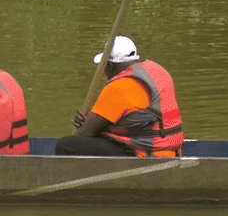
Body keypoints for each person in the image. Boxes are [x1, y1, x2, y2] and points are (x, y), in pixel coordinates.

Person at [54, 35, 184, 157]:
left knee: (66, 145)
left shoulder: (119, 86)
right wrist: (91, 121)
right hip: (172, 150)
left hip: (143, 154)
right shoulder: (158, 71)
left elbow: (86, 133)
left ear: (109, 66)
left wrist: (86, 124)